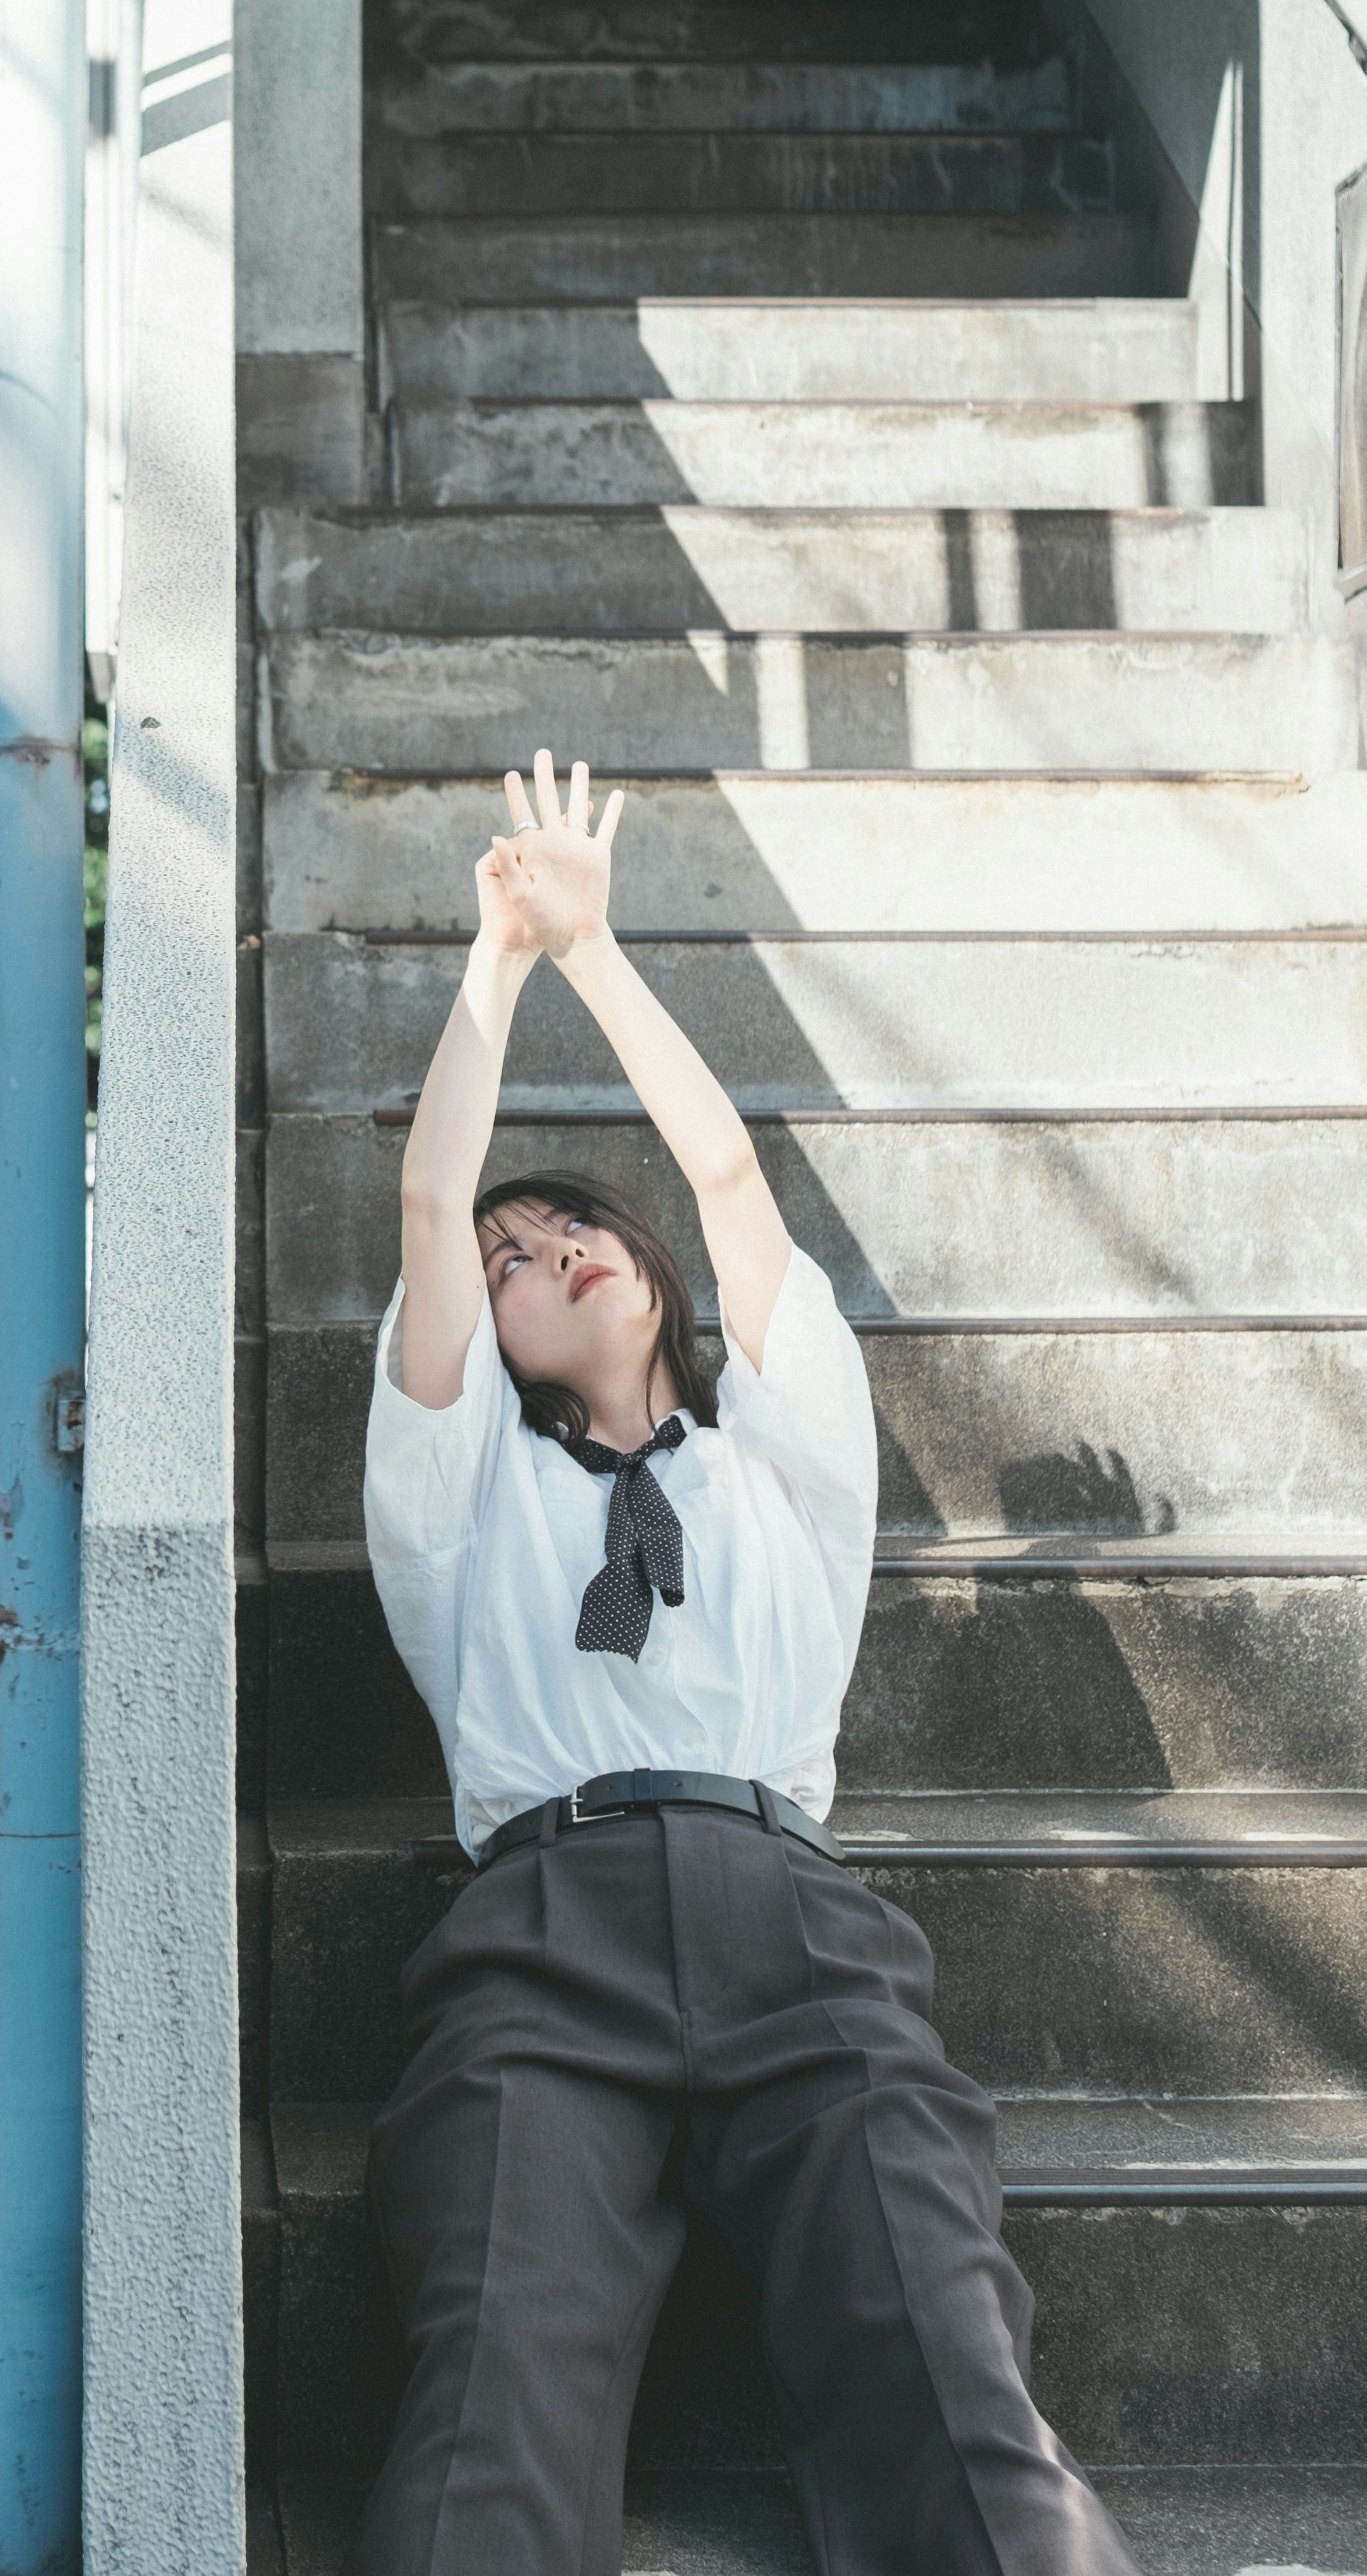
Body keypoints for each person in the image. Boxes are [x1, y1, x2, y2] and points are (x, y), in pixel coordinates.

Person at [350, 749, 1142, 2575]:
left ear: (644, 1264)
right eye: (512, 1260)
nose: (544, 1247)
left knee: (947, 2354)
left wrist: (601, 951)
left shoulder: (784, 1455)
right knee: (493, 2376)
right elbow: (427, 1203)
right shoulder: (462, 1485)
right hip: (539, 1934)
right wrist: (498, 960)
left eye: (570, 1228)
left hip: (800, 1924)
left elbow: (720, 1167)